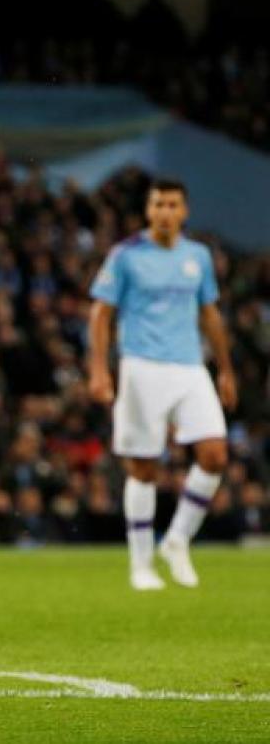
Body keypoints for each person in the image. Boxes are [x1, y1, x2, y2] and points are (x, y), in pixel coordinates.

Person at [87, 178, 236, 591]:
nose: (166, 212)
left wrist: (225, 369)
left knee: (215, 454)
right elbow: (101, 314)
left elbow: (209, 313)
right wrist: (99, 370)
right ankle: (141, 564)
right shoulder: (126, 255)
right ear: (148, 210)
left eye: (173, 205)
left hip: (190, 366)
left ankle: (176, 540)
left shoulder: (198, 256)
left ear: (184, 211)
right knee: (144, 467)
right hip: (141, 365)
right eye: (159, 205)